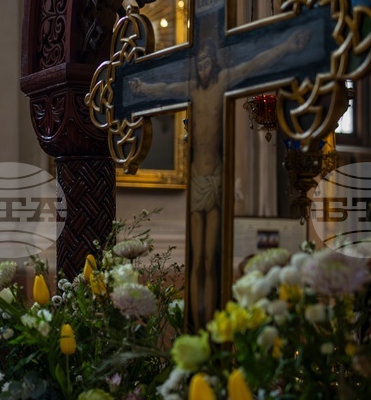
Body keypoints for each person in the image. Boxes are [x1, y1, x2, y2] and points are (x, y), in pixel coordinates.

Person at [128, 30, 309, 324]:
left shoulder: (223, 83)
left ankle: (210, 321)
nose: (202, 68)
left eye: (206, 63)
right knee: (196, 257)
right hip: (197, 181)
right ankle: (195, 319)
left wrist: (287, 44)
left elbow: (254, 64)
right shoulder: (191, 89)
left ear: (214, 63)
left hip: (214, 181)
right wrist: (140, 89)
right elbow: (163, 87)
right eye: (198, 64)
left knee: (210, 257)